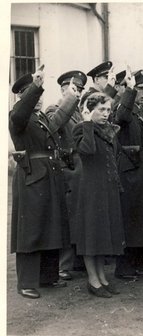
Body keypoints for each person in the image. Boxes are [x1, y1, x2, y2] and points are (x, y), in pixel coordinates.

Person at [9, 66, 77, 299]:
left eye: (37, 93)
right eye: (29, 93)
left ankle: (47, 277)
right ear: (21, 96)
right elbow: (20, 114)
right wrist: (36, 88)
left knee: (51, 224)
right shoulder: (18, 117)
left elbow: (58, 121)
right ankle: (26, 282)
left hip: (48, 174)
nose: (37, 100)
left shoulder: (41, 118)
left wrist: (71, 97)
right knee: (31, 229)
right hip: (32, 176)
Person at [72, 92, 125, 298]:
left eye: (108, 110)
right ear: (90, 109)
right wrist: (86, 123)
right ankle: (93, 280)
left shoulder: (108, 130)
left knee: (102, 234)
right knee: (91, 234)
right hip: (91, 191)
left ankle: (102, 277)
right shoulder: (81, 129)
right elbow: (87, 151)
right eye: (101, 109)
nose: (106, 114)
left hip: (107, 188)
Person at [112, 68, 143, 279]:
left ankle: (138, 262)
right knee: (131, 217)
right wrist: (129, 91)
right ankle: (124, 268)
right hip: (130, 169)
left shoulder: (141, 111)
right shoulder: (123, 108)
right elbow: (120, 117)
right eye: (142, 88)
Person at [45, 70, 88, 281]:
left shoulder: (79, 112)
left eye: (79, 90)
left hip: (81, 167)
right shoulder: (55, 108)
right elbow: (53, 125)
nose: (77, 93)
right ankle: (64, 265)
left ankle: (77, 262)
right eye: (73, 89)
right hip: (66, 166)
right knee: (67, 217)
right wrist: (70, 99)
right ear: (63, 89)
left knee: (79, 215)